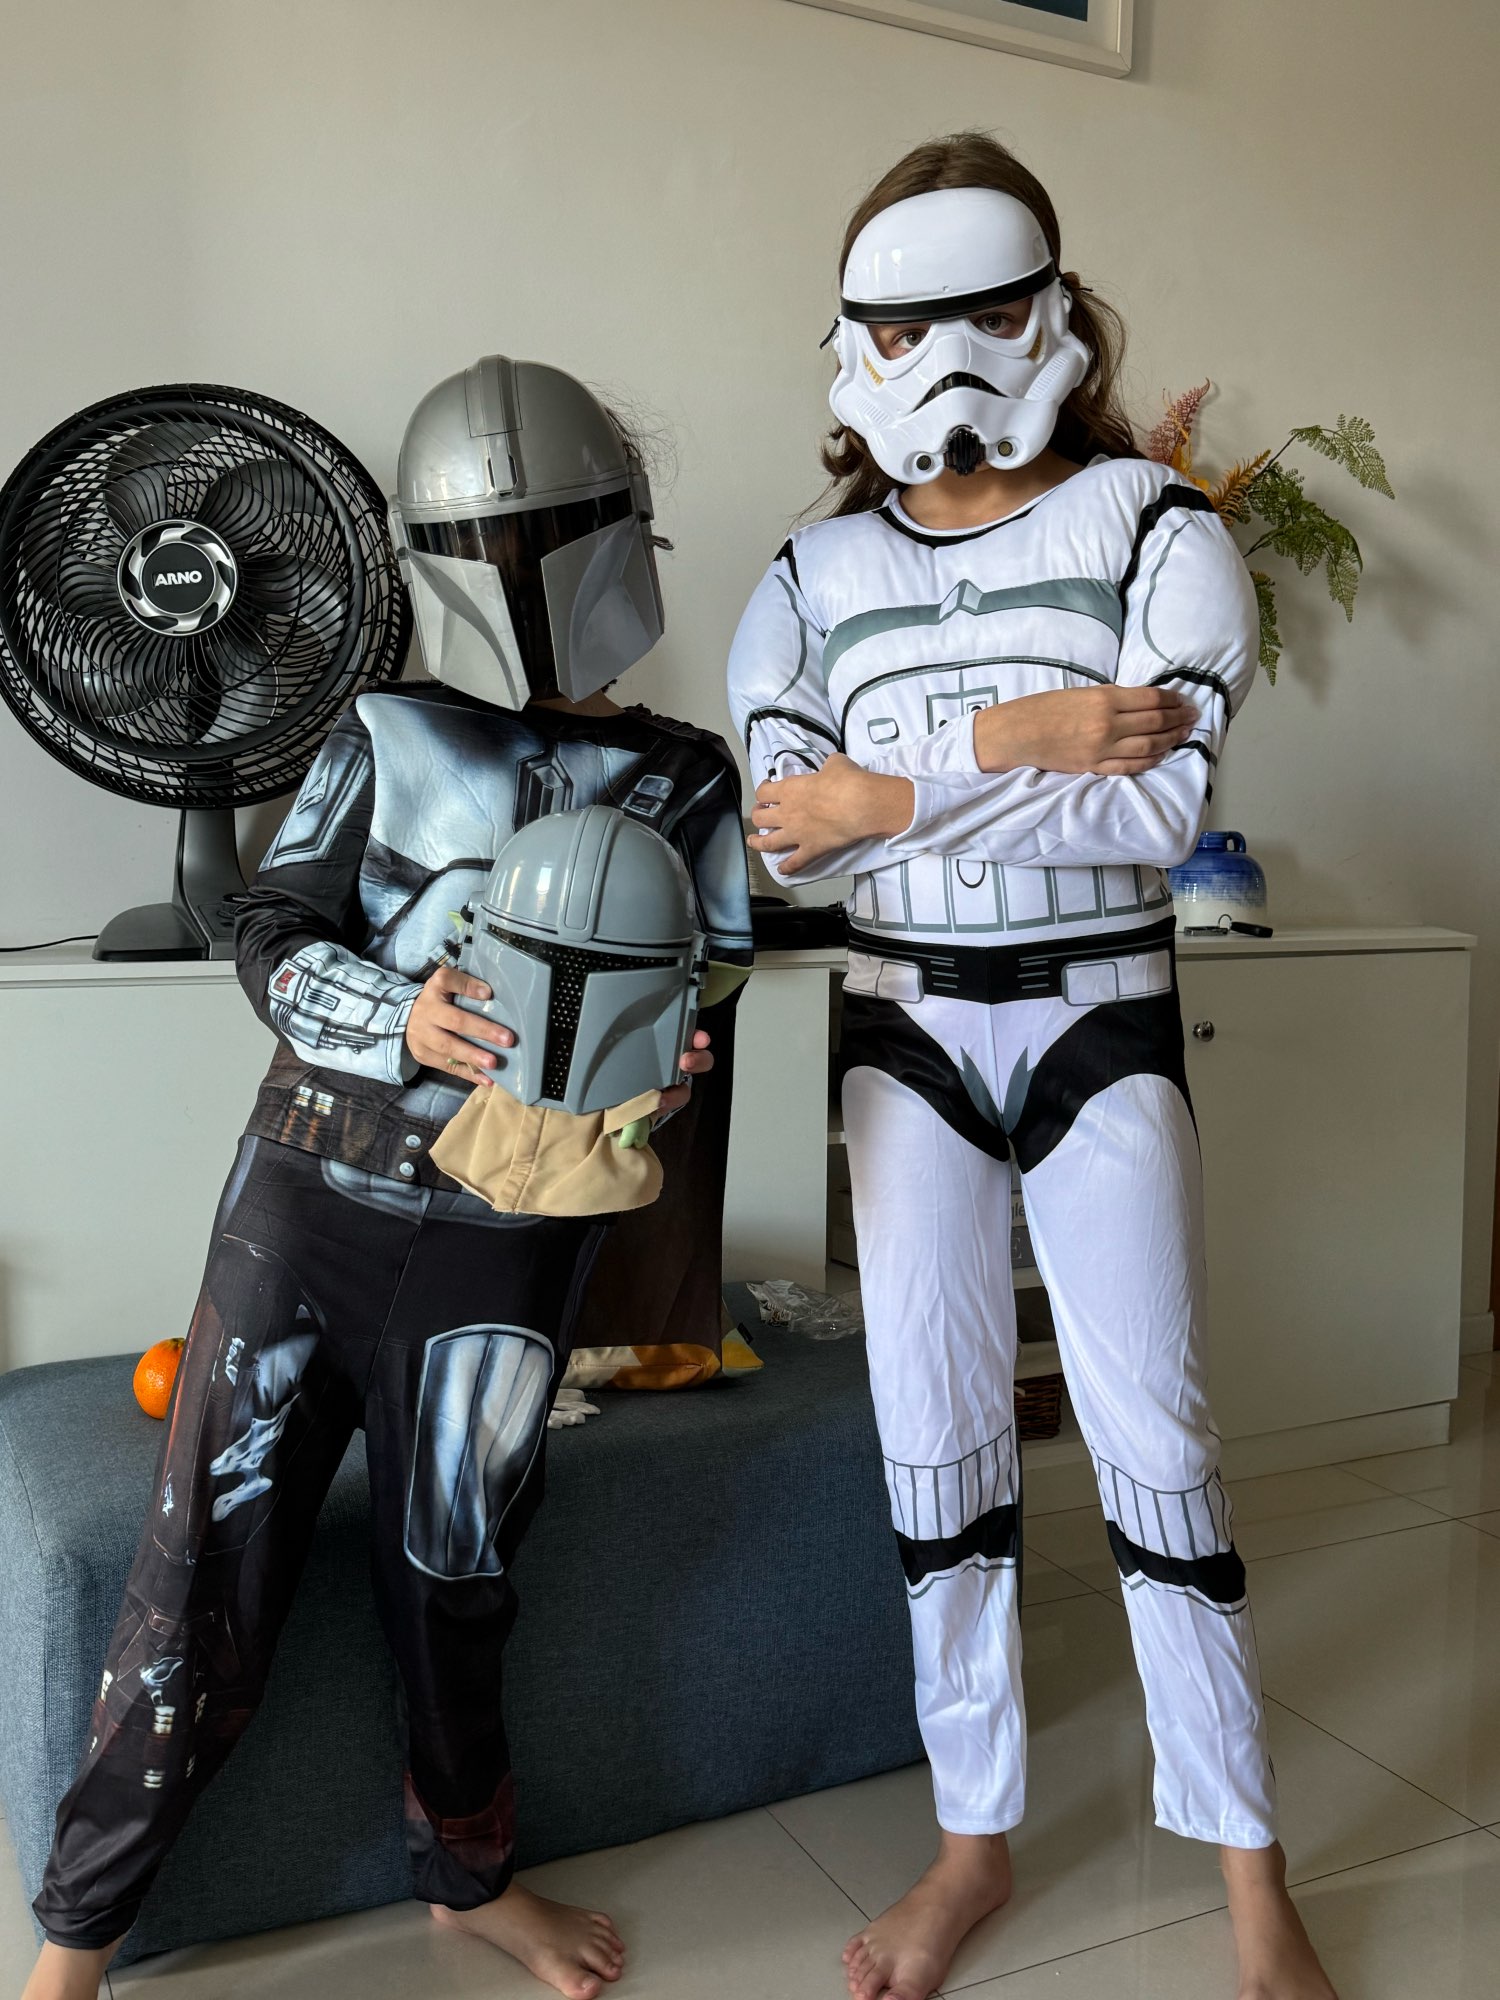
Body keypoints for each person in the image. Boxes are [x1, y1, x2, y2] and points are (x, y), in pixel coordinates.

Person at [24, 357, 752, 2000]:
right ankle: (73, 1946)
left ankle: (467, 1879)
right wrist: (398, 1015)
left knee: (455, 1573)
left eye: (550, 534)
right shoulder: (383, 729)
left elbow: (706, 980)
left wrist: (663, 1063)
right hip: (306, 1207)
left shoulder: (688, 775)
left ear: (620, 535)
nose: (522, 571)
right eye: (490, 540)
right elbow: (271, 931)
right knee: (197, 1574)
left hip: (511, 1241)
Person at [727, 134, 1338, 2000]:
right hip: (901, 1032)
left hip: (1099, 1018)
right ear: (854, 336)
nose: (943, 362)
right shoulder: (811, 571)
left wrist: (895, 787)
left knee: (1158, 1443)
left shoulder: (1160, 530)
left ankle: (1250, 1872)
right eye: (901, 326)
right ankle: (969, 1843)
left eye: (984, 313)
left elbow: (1149, 812)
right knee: (937, 1444)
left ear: (1054, 312)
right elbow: (787, 836)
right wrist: (1023, 738)